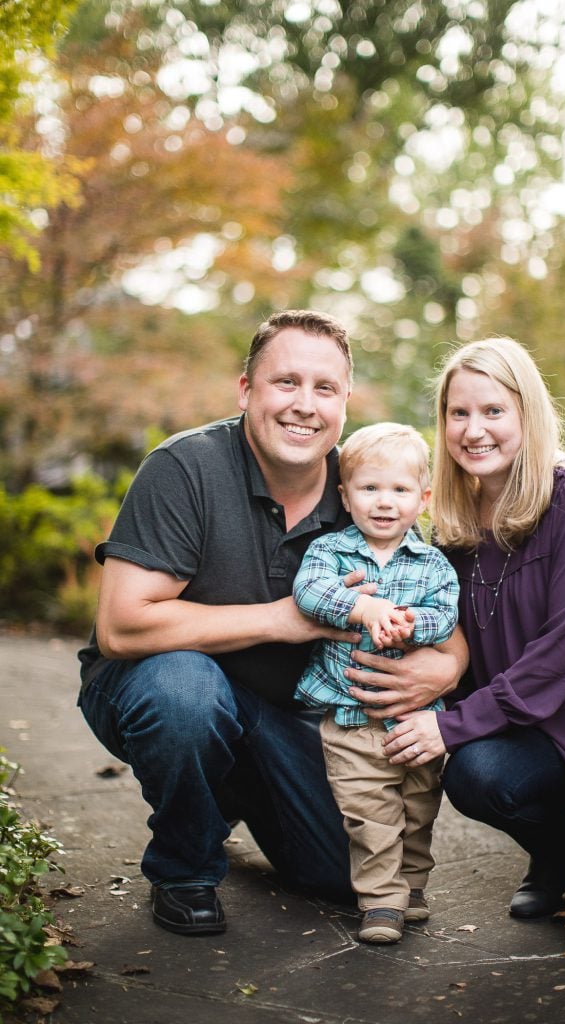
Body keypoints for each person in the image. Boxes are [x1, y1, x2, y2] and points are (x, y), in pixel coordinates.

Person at [77, 309, 468, 936]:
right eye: (285, 382)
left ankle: (223, 793)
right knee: (186, 694)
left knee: (347, 879)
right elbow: (123, 627)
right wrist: (286, 620)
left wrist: (444, 668)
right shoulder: (185, 469)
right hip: (153, 686)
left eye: (325, 389)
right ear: (245, 390)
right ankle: (184, 868)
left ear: (345, 402)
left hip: (281, 710)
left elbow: (438, 612)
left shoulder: (363, 489)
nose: (304, 406)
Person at [378, 335, 565, 952]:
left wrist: (450, 725)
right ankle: (555, 853)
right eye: (458, 413)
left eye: (494, 411)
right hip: (555, 733)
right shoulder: (453, 532)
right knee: (477, 774)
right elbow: (458, 644)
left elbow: (561, 649)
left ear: (527, 414)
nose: (473, 429)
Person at [293, 422, 460, 944]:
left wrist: (415, 625)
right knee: (370, 815)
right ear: (345, 495)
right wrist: (360, 607)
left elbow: (447, 615)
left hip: (414, 723)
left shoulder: (433, 564)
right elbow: (309, 594)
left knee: (417, 808)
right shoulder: (330, 552)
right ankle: (380, 903)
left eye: (399, 490)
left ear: (423, 498)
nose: (384, 502)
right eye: (369, 488)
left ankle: (411, 887)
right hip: (350, 719)